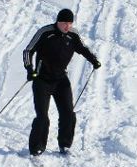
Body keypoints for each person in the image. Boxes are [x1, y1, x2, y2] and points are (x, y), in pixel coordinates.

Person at [22, 8, 101, 156]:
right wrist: (30, 69)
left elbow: (83, 49)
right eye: (65, 23)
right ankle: (37, 147)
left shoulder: (73, 34)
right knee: (42, 117)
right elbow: (28, 51)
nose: (67, 26)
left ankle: (65, 145)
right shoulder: (45, 32)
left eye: (70, 23)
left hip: (60, 80)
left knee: (68, 114)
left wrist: (94, 60)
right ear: (58, 21)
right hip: (42, 80)